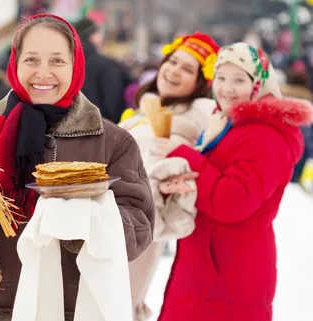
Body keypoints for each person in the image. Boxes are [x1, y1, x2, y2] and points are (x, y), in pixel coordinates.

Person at [0, 13, 154, 321]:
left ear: (76, 65)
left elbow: (139, 232)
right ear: (15, 64)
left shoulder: (113, 142)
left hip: (78, 312)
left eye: (57, 61)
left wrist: (83, 217)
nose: (43, 73)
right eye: (31, 60)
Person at [154, 42, 313, 321]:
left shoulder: (264, 135)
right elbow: (215, 180)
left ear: (259, 84)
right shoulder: (227, 123)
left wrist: (185, 156)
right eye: (222, 78)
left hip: (230, 270)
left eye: (239, 80)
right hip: (209, 261)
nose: (226, 88)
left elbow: (232, 201)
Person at [119, 32, 220, 321]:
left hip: (137, 232)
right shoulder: (153, 111)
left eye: (187, 69)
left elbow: (167, 175)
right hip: (116, 225)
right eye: (172, 61)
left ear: (201, 83)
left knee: (119, 308)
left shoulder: (187, 122)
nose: (174, 70)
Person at [73, 17, 130, 123]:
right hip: (99, 128)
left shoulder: (66, 62)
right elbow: (113, 102)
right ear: (92, 36)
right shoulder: (105, 64)